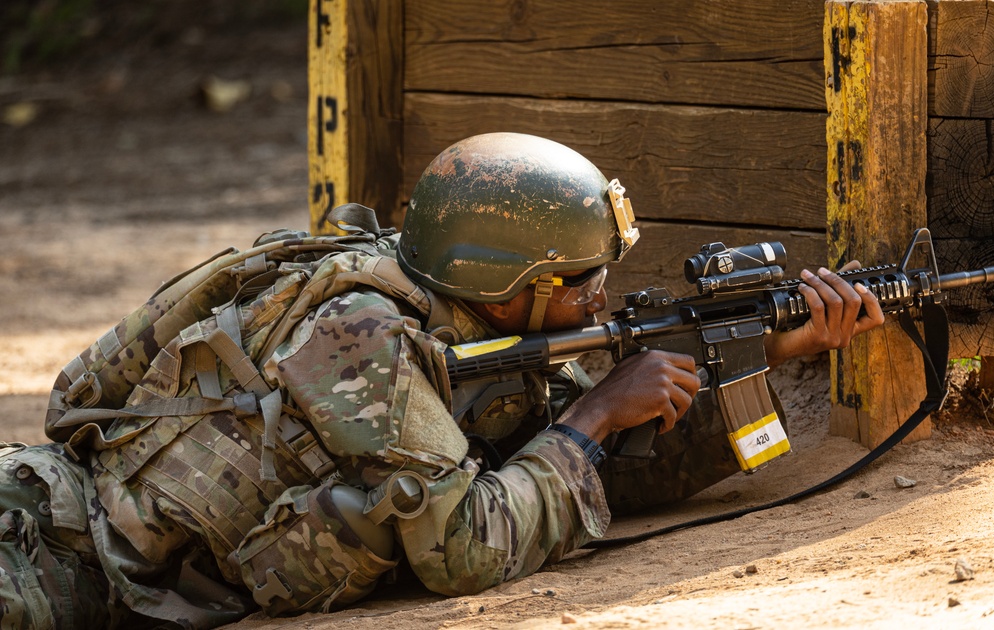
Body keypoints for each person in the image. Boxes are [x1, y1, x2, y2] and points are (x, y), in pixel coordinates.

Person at [0, 132, 885, 629]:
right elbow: (465, 545)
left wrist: (770, 353)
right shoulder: (365, 344)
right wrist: (591, 419)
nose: (602, 293)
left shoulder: (439, 299)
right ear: (512, 291)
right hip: (52, 565)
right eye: (580, 281)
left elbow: (568, 474)